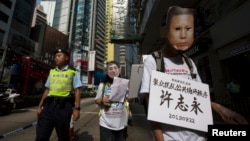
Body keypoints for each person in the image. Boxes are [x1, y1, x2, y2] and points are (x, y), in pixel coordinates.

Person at [140, 6, 248, 141]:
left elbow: (197, 99)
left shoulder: (189, 62)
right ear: (166, 31)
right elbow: (152, 109)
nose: (183, 35)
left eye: (188, 29)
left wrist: (221, 109)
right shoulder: (153, 61)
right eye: (177, 29)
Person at [35, 48, 82, 141]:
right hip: (48, 106)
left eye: (59, 56)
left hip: (64, 108)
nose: (56, 58)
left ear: (66, 58)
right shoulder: (52, 71)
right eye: (55, 56)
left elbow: (77, 91)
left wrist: (77, 109)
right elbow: (47, 90)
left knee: (63, 136)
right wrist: (39, 106)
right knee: (41, 136)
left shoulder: (73, 72)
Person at [95, 61, 129, 141]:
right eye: (110, 69)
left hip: (121, 124)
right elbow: (96, 100)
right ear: (106, 72)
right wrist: (102, 100)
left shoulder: (125, 84)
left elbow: (130, 100)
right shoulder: (102, 85)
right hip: (105, 124)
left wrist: (132, 90)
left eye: (115, 68)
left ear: (119, 70)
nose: (113, 71)